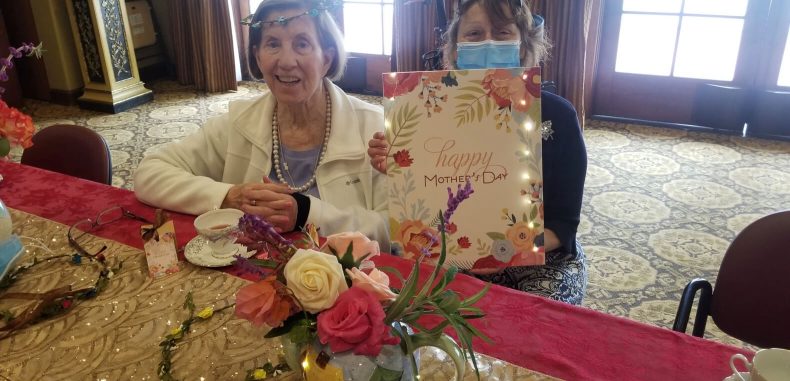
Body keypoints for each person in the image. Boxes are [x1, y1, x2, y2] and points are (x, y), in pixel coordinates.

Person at [368, 0, 587, 305]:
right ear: (455, 48)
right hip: (451, 254)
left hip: (541, 257)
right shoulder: (426, 110)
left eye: (502, 32)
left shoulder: (558, 116)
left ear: (523, 46)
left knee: (534, 331)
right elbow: (427, 205)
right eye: (474, 33)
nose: (488, 42)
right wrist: (398, 168)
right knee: (410, 317)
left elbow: (563, 225)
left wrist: (501, 251)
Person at [134, 0, 388, 247]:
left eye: (302, 44)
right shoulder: (239, 121)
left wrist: (307, 213)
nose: (287, 61)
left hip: (345, 281)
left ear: (326, 59)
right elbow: (149, 174)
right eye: (273, 44)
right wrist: (228, 197)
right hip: (248, 277)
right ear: (257, 57)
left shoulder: (374, 128)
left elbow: (398, 230)